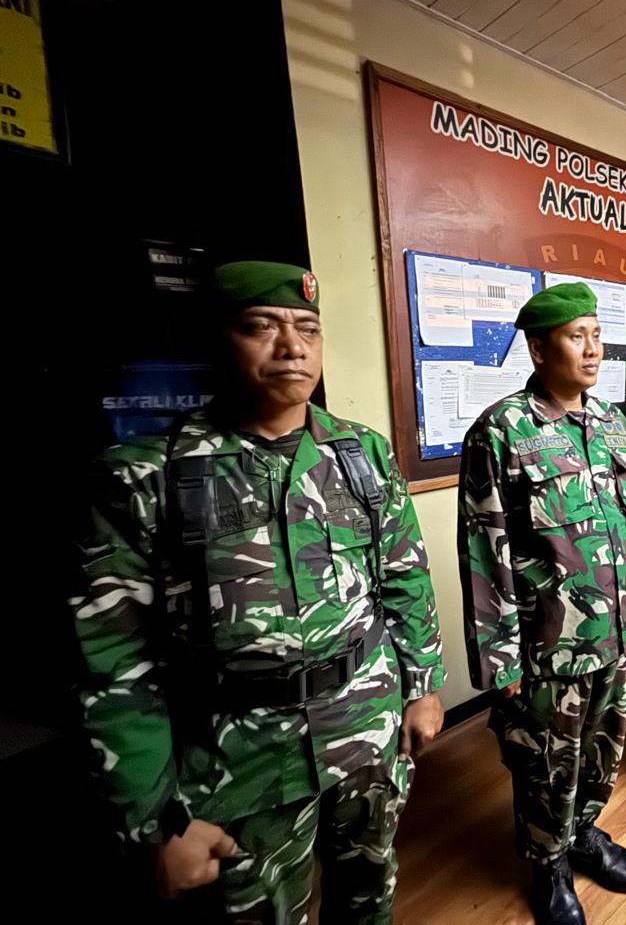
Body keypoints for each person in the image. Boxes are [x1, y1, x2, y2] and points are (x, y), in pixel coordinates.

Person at [71, 261, 446, 922]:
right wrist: (153, 820)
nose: (293, 347)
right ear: (218, 339)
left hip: (366, 729)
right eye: (261, 327)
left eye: (308, 329)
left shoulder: (361, 453)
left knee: (370, 894)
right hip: (236, 765)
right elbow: (114, 661)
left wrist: (423, 686)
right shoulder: (144, 476)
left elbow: (404, 576)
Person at [458, 281, 626, 925]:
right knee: (546, 762)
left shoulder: (611, 422)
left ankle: (583, 832)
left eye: (597, 335)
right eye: (576, 337)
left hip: (613, 632)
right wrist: (500, 659)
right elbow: (483, 550)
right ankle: (548, 862)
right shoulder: (503, 429)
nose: (593, 350)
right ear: (540, 349)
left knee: (603, 750)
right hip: (549, 644)